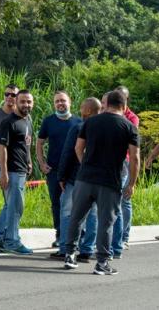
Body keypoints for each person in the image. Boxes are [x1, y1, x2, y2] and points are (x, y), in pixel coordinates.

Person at [63, 90, 139, 275]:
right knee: (106, 222)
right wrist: (131, 183)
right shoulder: (129, 127)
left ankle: (70, 254)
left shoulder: (90, 122)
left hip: (85, 178)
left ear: (107, 104)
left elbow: (78, 147)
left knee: (76, 217)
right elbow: (135, 158)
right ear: (123, 106)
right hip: (110, 181)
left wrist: (85, 165)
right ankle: (102, 262)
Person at [51, 98, 100, 261]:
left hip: (75, 177)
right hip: (96, 178)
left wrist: (61, 176)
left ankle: (65, 247)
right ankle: (87, 249)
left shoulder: (78, 127)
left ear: (86, 111)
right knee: (92, 214)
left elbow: (68, 152)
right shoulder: (103, 128)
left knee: (66, 212)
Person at [0, 90, 35, 255]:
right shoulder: (8, 122)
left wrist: (29, 161)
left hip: (21, 170)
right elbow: (2, 147)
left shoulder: (27, 120)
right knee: (15, 208)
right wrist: (4, 173)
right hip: (12, 171)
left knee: (10, 206)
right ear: (16, 102)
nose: (26, 105)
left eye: (29, 101)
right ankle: (12, 241)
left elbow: (26, 144)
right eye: (22, 101)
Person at [36, 91, 81, 247]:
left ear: (70, 102)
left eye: (63, 100)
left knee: (76, 204)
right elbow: (39, 143)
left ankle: (77, 236)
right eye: (57, 101)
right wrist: (42, 163)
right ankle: (60, 235)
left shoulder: (78, 122)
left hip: (74, 171)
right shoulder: (48, 121)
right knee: (57, 203)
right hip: (54, 170)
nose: (60, 104)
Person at [111, 85, 137, 254]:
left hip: (126, 161)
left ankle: (124, 237)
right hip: (111, 161)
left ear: (126, 99)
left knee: (124, 200)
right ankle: (114, 236)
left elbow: (132, 143)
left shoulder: (132, 118)